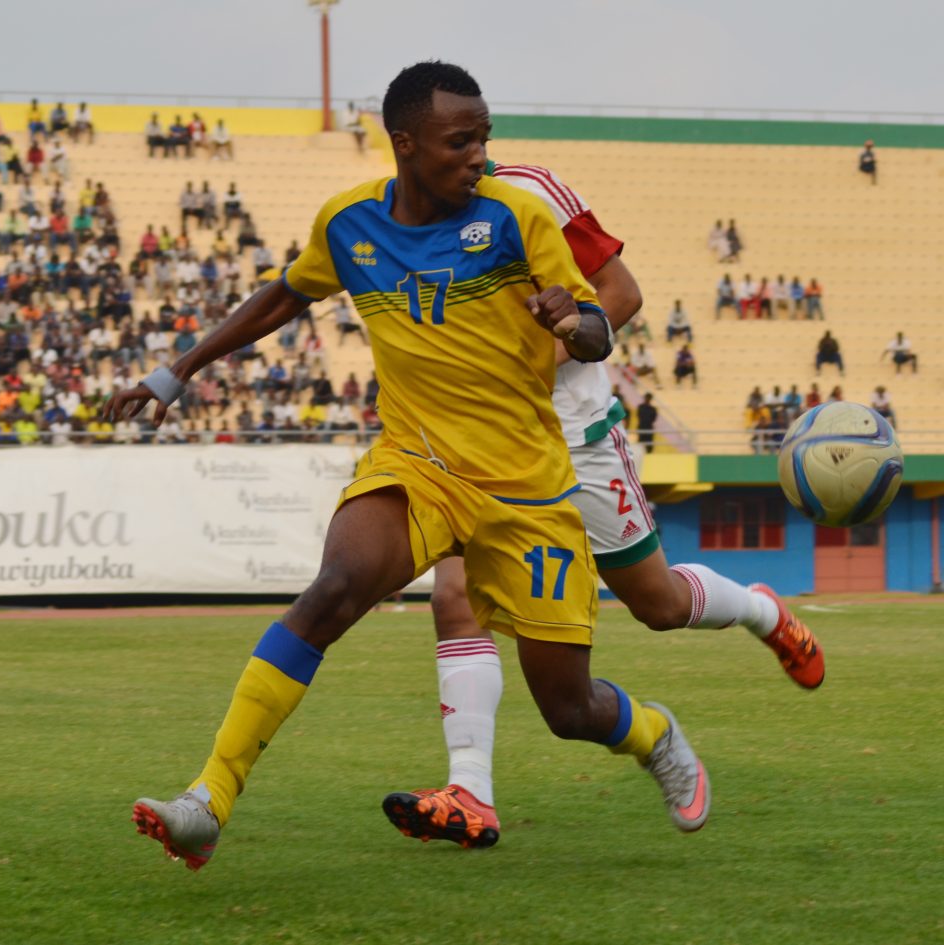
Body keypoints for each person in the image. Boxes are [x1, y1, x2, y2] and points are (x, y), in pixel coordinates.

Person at [106, 61, 709, 870]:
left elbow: (598, 326)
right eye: (461, 142)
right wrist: (176, 369)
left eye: (484, 139)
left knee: (569, 707)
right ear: (405, 144)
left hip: (528, 488)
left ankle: (652, 733)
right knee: (333, 589)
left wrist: (576, 322)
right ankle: (208, 799)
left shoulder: (516, 219)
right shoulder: (350, 223)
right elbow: (286, 294)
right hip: (418, 466)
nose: (479, 156)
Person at [384, 160, 825, 851]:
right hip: (486, 452)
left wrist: (529, 357)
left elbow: (619, 292)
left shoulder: (528, 191)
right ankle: (469, 790)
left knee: (660, 606)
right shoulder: (400, 221)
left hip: (578, 441)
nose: (465, 154)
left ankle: (761, 611)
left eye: (473, 135)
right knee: (453, 596)